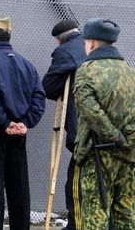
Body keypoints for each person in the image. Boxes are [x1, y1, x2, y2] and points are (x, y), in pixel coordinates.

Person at [0, 17, 45, 230]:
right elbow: (39, 96)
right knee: (19, 186)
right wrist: (25, 122)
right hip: (19, 132)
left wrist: (4, 123)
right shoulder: (26, 64)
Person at [73, 18, 135, 230]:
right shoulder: (130, 71)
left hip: (97, 155)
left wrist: (113, 135)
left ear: (90, 43)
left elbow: (90, 111)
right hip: (128, 156)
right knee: (126, 215)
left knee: (94, 216)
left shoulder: (87, 70)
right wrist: (127, 139)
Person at [42, 20, 86, 230]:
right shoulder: (97, 48)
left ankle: (75, 225)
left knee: (75, 184)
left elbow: (49, 88)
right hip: (116, 133)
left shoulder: (66, 51)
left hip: (83, 132)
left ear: (60, 39)